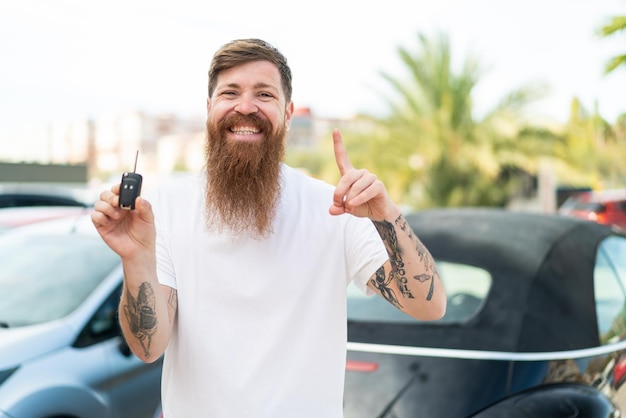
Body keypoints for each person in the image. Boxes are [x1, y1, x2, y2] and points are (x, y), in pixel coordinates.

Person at [91, 38, 446, 418]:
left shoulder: (337, 210)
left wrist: (387, 216)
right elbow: (148, 347)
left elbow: (428, 305)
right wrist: (136, 258)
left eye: (264, 94)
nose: (246, 107)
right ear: (209, 108)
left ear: (288, 113)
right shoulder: (163, 207)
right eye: (230, 93)